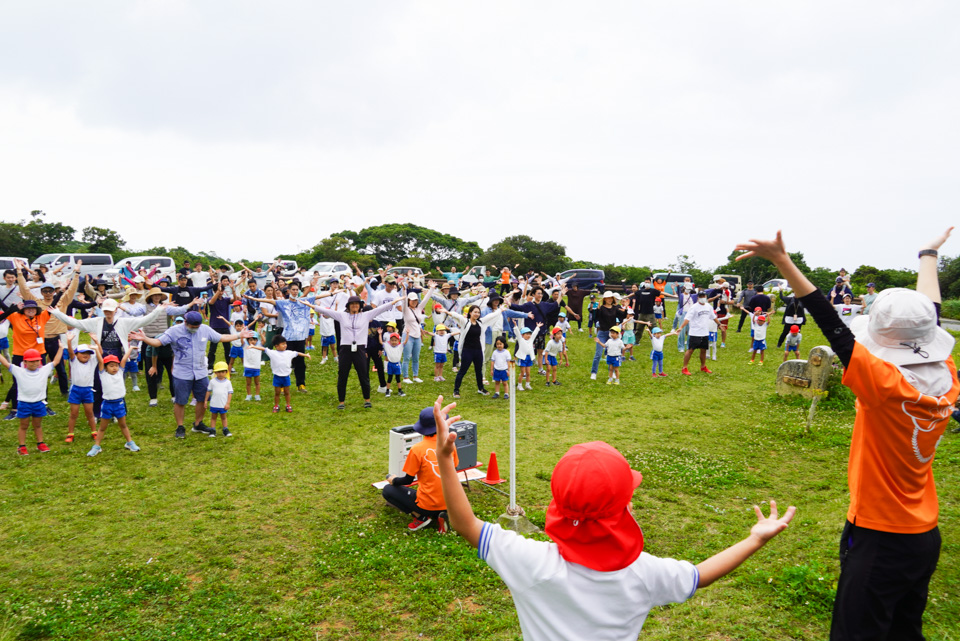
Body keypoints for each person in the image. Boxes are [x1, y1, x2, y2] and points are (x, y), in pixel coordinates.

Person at [735, 228, 957, 641]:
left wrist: (783, 261)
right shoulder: (946, 377)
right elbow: (931, 314)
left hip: (879, 539)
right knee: (905, 630)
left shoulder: (886, 387)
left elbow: (831, 322)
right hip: (924, 535)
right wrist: (929, 254)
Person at [430, 396, 797, 641]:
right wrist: (755, 539)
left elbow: (466, 525)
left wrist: (446, 460)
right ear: (624, 511)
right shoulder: (644, 573)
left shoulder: (530, 562)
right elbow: (700, 576)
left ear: (557, 507)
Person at [131, 310, 252, 438]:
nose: (195, 329)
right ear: (185, 322)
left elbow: (221, 338)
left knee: (202, 398)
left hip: (200, 372)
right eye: (192, 327)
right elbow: (158, 342)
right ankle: (180, 427)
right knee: (180, 401)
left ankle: (198, 424)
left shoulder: (204, 329)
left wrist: (239, 335)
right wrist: (145, 339)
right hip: (182, 372)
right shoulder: (174, 331)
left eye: (197, 327)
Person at [300, 294, 401, 409]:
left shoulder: (366, 315)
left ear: (360, 306)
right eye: (352, 304)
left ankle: (367, 400)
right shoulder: (342, 316)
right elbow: (327, 311)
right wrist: (310, 305)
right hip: (345, 349)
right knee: (343, 375)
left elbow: (380, 309)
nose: (354, 306)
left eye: (356, 304)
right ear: (348, 306)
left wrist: (394, 302)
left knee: (363, 375)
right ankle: (341, 402)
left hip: (360, 349)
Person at [382, 406, 458, 532]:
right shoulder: (450, 445)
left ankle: (421, 516)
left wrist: (393, 480)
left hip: (427, 504)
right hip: (450, 502)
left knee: (388, 490)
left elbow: (408, 480)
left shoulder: (417, 449)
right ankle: (442, 515)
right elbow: (454, 469)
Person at [1, 347, 62, 455]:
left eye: (36, 361)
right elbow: (6, 363)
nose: (34, 363)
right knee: (24, 425)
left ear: (40, 361)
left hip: (39, 403)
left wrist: (61, 347)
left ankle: (40, 443)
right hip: (24, 403)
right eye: (31, 361)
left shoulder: (44, 370)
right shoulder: (19, 371)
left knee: (38, 425)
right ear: (24, 362)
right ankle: (22, 446)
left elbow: (56, 361)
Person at [441, 303, 508, 399]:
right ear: (470, 313)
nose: (477, 314)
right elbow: (457, 316)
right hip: (467, 350)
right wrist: (447, 312)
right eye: (475, 312)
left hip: (478, 351)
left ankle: (481, 388)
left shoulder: (481, 323)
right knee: (463, 370)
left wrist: (500, 310)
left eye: (478, 312)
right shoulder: (465, 322)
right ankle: (456, 390)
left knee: (478, 371)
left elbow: (491, 316)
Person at [86, 339, 139, 457]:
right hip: (107, 405)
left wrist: (130, 349)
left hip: (119, 403)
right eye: (111, 366)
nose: (114, 368)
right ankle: (96, 446)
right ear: (105, 367)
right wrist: (96, 350)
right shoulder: (102, 374)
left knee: (123, 425)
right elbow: (100, 361)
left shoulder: (120, 372)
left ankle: (129, 442)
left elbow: (124, 359)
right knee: (102, 427)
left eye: (116, 365)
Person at [248, 335, 310, 413]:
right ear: (276, 346)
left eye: (285, 344)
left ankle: (288, 405)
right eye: (283, 344)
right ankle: (276, 405)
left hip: (286, 377)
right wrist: (253, 347)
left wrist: (306, 355)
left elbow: (297, 353)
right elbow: (263, 349)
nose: (285, 345)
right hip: (277, 377)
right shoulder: (272, 353)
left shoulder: (289, 353)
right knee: (277, 393)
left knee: (287, 392)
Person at [64, 337, 99, 443]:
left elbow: (99, 353)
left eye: (88, 353)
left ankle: (94, 432)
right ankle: (70, 433)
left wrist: (96, 343)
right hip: (75, 390)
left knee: (90, 413)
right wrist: (69, 342)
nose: (86, 355)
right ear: (76, 354)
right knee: (74, 413)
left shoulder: (92, 362)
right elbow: (70, 352)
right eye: (82, 352)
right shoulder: (74, 361)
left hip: (88, 390)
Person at [589, 291, 627, 380]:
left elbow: (622, 317)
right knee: (598, 354)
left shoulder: (615, 308)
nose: (609, 300)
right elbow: (595, 318)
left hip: (612, 334)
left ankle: (612, 372)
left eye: (611, 298)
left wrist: (625, 309)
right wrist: (597, 309)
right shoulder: (601, 308)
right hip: (602, 333)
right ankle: (594, 372)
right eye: (608, 298)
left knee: (613, 354)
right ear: (604, 299)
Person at [677, 293, 717, 376]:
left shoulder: (708, 306)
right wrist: (681, 327)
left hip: (705, 332)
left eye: (704, 296)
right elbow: (687, 318)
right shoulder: (694, 307)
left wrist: (719, 324)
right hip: (695, 332)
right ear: (698, 298)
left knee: (703, 350)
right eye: (701, 296)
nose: (703, 298)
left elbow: (713, 317)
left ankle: (703, 366)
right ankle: (684, 368)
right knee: (690, 350)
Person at [205, 361, 233, 437]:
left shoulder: (227, 382)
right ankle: (212, 430)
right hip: (214, 404)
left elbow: (230, 393)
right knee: (213, 417)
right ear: (215, 373)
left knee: (223, 417)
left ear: (226, 372)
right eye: (218, 372)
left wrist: (228, 403)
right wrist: (205, 401)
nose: (220, 374)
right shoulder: (212, 381)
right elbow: (208, 391)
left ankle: (225, 429)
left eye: (222, 372)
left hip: (223, 404)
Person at [378, 330, 406, 398]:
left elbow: (405, 341)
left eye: (395, 340)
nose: (394, 342)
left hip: (397, 364)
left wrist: (407, 334)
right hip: (390, 364)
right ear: (390, 341)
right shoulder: (388, 346)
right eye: (392, 340)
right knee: (389, 378)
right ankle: (387, 390)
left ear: (398, 341)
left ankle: (400, 390)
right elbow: (381, 342)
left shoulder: (400, 347)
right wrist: (380, 334)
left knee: (398, 378)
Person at [513, 323, 539, 392]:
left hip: (529, 358)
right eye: (526, 334)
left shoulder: (531, 340)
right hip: (522, 358)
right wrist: (515, 326)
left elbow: (534, 334)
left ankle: (527, 384)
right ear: (522, 335)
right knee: (522, 372)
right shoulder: (521, 340)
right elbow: (517, 333)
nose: (528, 336)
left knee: (528, 372)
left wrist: (537, 327)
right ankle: (519, 385)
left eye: (529, 334)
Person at [241, 330, 263, 401]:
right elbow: (241, 340)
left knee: (257, 382)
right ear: (247, 340)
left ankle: (257, 395)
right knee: (248, 383)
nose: (253, 341)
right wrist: (243, 334)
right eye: (250, 340)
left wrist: (260, 334)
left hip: (256, 368)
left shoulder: (259, 346)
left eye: (254, 339)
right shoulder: (245, 346)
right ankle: (249, 395)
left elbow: (264, 340)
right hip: (248, 367)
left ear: (257, 340)